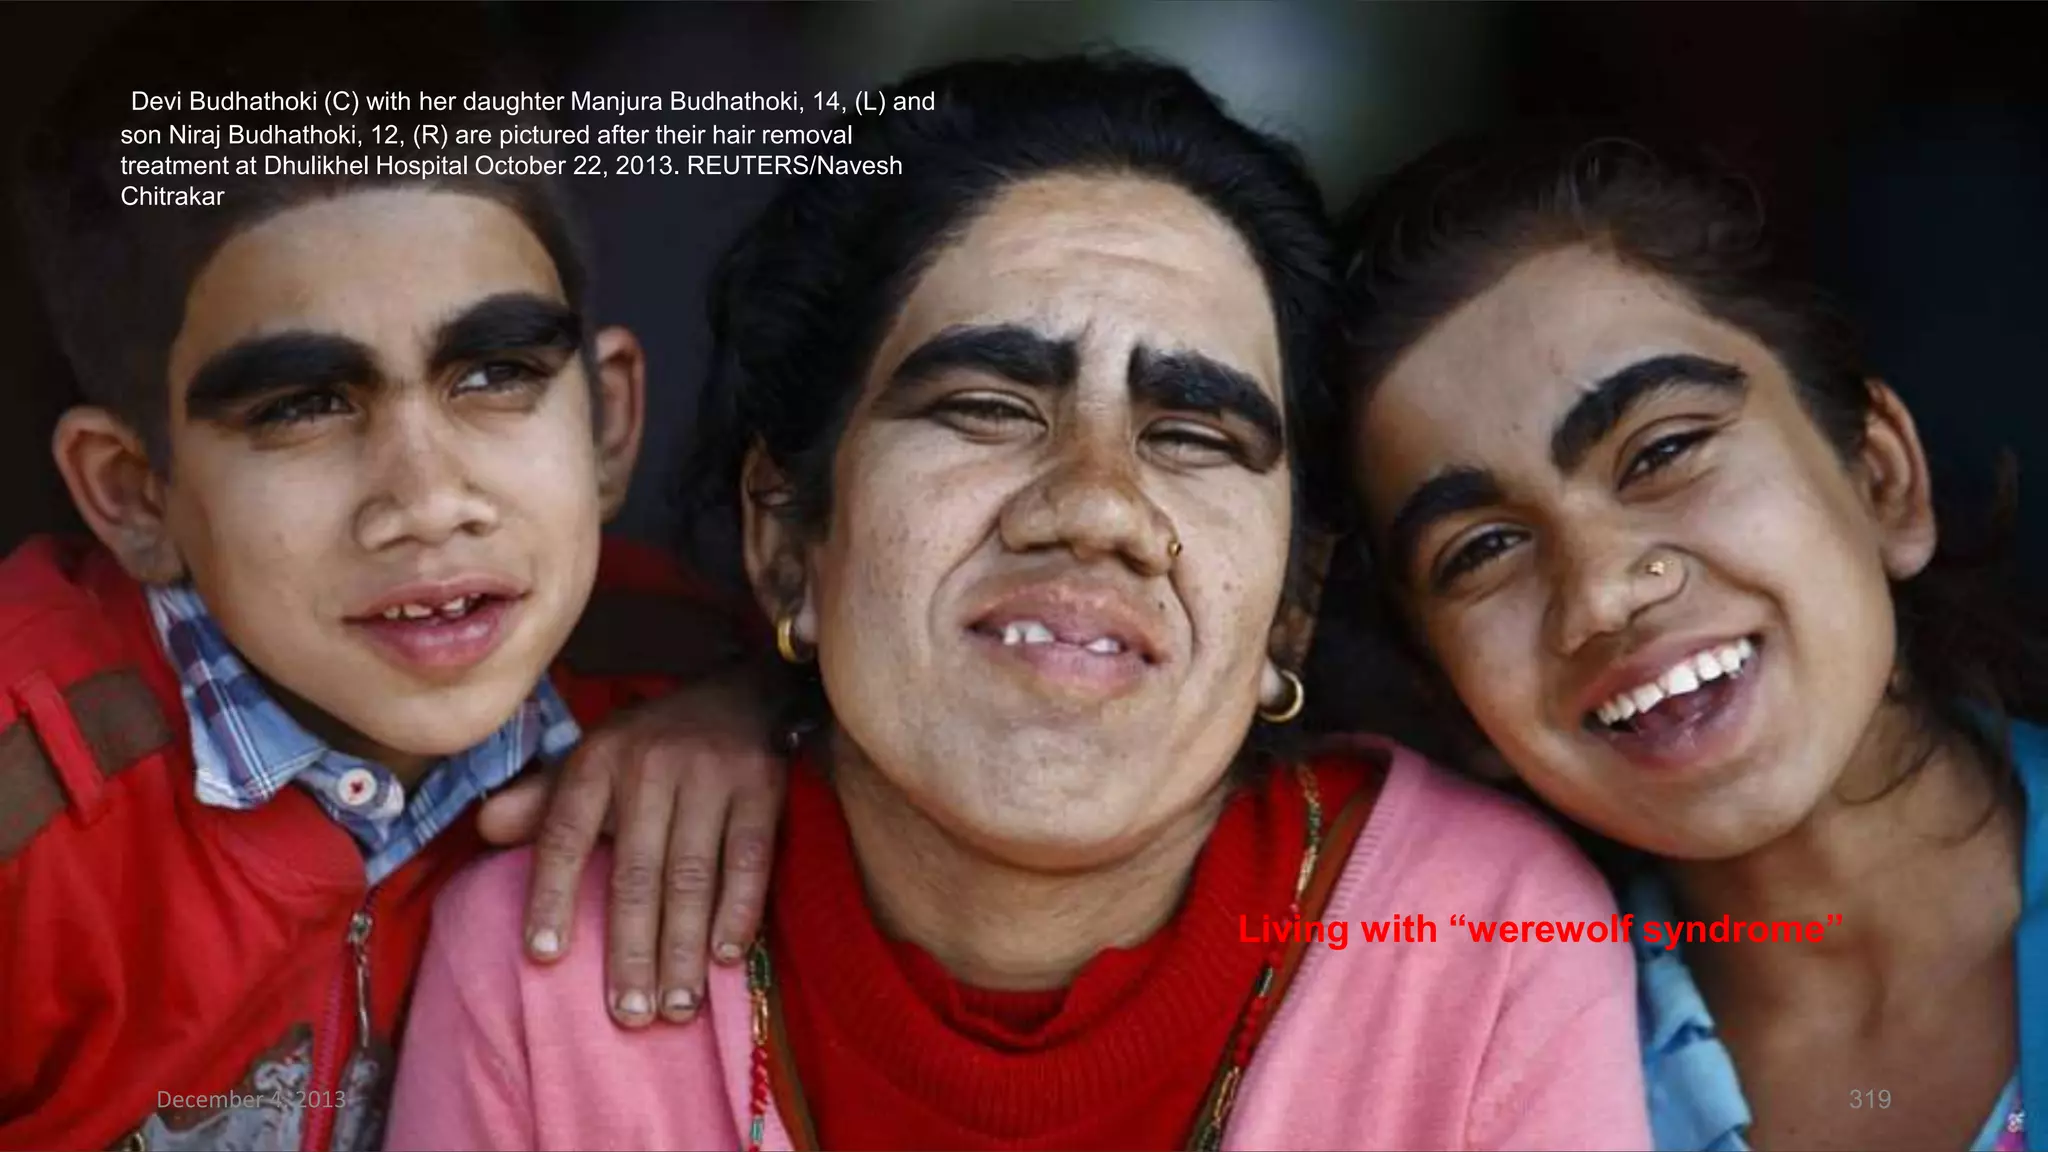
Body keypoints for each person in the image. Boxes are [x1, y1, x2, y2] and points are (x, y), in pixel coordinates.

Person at [386, 55, 1649, 1152]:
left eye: (1195, 434)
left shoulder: (1478, 948)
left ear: (1292, 603)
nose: (1094, 504)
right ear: (784, 538)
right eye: (986, 408)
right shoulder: (551, 956)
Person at [0, 6, 774, 1149]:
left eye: (497, 372)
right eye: (302, 406)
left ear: (608, 424)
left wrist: (765, 711)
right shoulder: (31, 803)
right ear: (133, 494)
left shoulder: (693, 676)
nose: (425, 499)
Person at [1335, 129, 2048, 1150]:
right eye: (1482, 549)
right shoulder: (1458, 1085)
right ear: (1455, 699)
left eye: (1662, 450)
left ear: (1880, 479)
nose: (1599, 596)